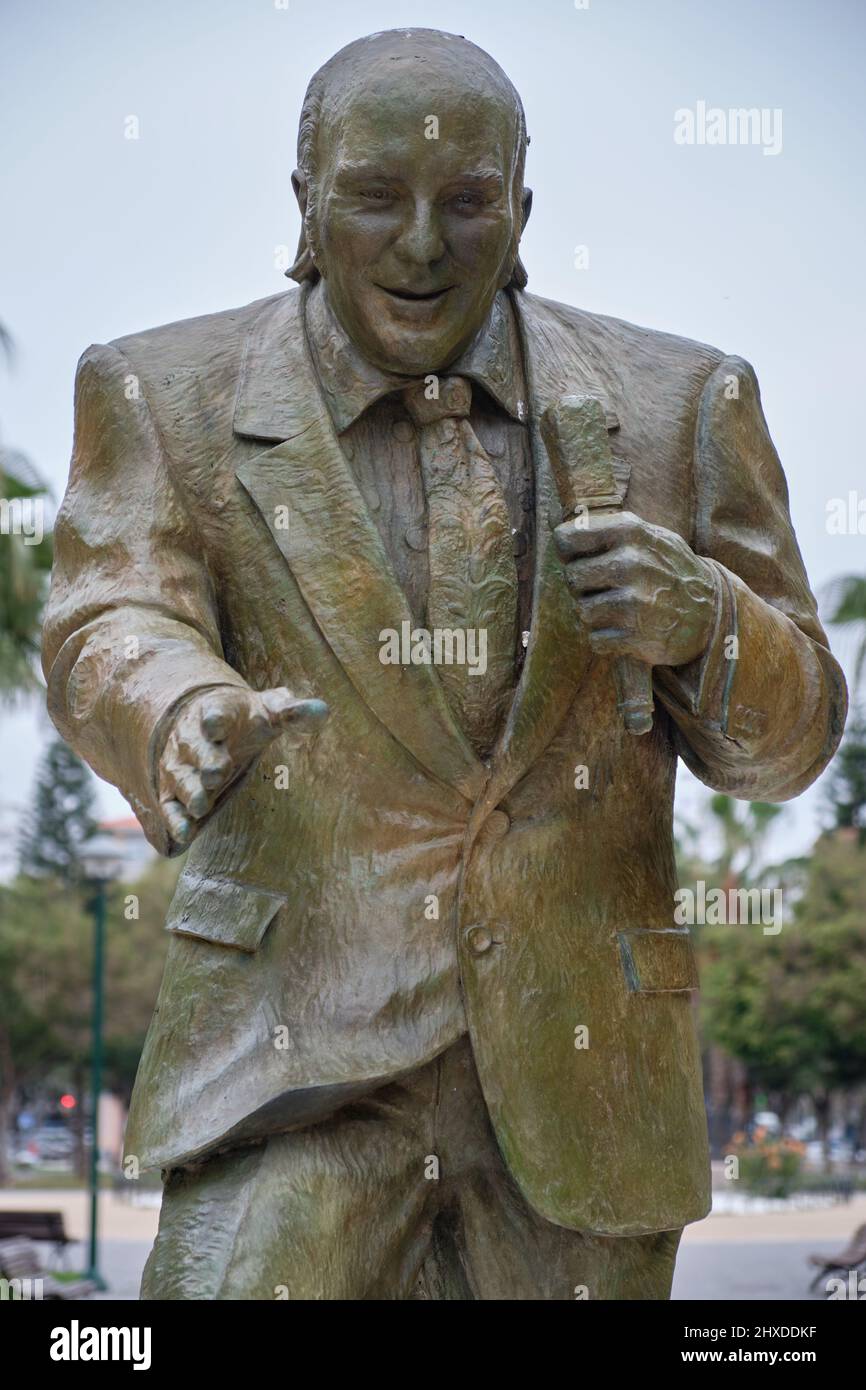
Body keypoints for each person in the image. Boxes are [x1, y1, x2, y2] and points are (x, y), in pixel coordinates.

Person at [42, 28, 846, 1299]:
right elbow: (106, 618)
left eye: (467, 202)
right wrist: (181, 707)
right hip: (291, 1070)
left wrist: (705, 624)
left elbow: (789, 746)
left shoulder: (683, 402)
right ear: (304, 201)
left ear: (522, 207)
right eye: (375, 197)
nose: (421, 244)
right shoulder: (162, 390)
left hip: (585, 1081)